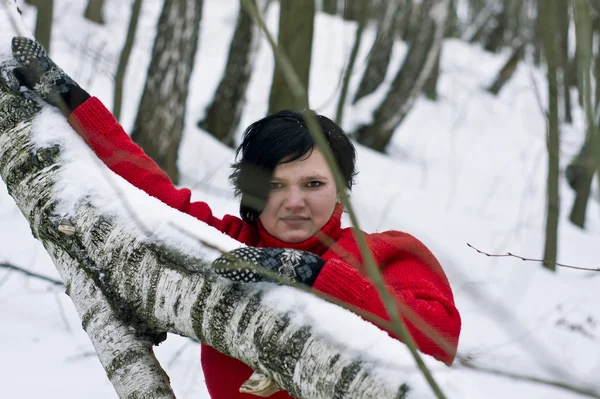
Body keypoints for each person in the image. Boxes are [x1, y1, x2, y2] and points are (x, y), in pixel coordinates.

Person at [9, 37, 461, 399]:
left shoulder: (385, 252)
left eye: (313, 184)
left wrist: (314, 274)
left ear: (342, 188)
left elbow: (437, 338)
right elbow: (146, 186)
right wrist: (72, 101)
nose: (294, 202)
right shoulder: (228, 244)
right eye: (275, 185)